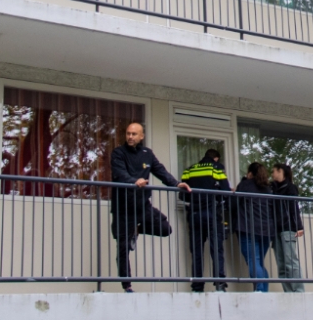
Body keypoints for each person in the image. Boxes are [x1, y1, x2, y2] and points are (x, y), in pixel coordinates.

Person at [110, 122, 191, 293]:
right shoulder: (118, 153)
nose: (130, 137)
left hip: (142, 205)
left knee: (165, 228)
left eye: (134, 134)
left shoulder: (147, 154)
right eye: (128, 133)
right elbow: (119, 174)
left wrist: (176, 183)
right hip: (123, 208)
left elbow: (160, 171)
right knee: (123, 248)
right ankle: (127, 286)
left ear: (141, 136)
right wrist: (134, 181)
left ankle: (137, 229)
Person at [181, 148, 231, 293]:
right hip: (212, 214)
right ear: (216, 158)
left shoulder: (189, 170)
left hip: (194, 215)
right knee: (216, 249)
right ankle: (219, 284)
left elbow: (182, 196)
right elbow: (225, 191)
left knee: (196, 252)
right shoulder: (216, 169)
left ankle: (197, 286)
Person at [233, 162, 274, 292]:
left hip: (248, 228)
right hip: (267, 230)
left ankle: (260, 291)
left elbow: (233, 204)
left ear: (250, 173)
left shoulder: (245, 185)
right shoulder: (268, 188)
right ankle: (264, 292)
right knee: (259, 262)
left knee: (253, 261)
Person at [271, 164, 305, 293]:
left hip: (287, 228)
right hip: (276, 230)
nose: (272, 174)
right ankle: (288, 292)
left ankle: (298, 291)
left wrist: (299, 226)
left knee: (290, 262)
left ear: (280, 172)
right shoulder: (273, 188)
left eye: (274, 171)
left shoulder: (290, 188)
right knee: (281, 265)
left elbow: (293, 208)